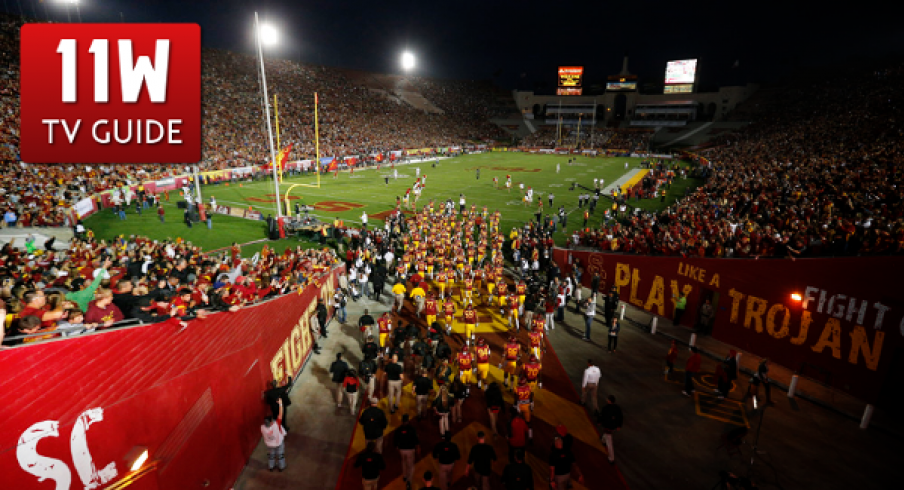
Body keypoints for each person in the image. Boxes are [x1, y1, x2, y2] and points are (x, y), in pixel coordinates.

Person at [394, 414, 420, 489]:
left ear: (402, 421)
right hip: (410, 450)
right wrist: (418, 447)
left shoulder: (398, 430)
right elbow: (416, 440)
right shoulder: (412, 429)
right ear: (408, 420)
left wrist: (397, 448)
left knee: (403, 462)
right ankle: (409, 481)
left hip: (402, 450)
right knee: (411, 466)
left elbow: (395, 441)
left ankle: (404, 476)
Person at [261, 398, 287, 472]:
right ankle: (281, 467)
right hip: (278, 443)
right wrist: (281, 404)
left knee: (271, 456)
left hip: (269, 444)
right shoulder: (276, 425)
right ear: (271, 422)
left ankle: (271, 467)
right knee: (280, 455)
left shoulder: (262, 428)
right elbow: (281, 414)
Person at [597, 395, 623, 464]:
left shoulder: (605, 408)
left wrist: (599, 422)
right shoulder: (617, 408)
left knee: (609, 442)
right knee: (607, 435)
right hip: (614, 426)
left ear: (609, 401)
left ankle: (611, 458)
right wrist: (619, 426)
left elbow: (601, 416)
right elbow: (620, 417)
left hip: (607, 425)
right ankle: (603, 440)